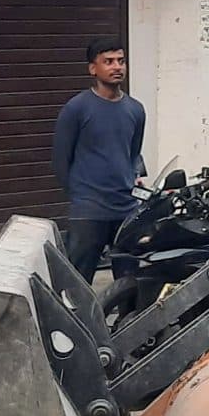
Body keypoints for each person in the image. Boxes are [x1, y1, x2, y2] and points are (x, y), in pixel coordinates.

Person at [51, 35, 145, 280]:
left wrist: (132, 180)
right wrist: (80, 196)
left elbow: (133, 154)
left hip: (126, 210)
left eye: (121, 61)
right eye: (109, 61)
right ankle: (77, 321)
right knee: (77, 283)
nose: (117, 67)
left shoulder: (135, 109)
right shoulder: (77, 108)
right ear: (93, 68)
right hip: (88, 211)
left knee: (128, 282)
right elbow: (61, 160)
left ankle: (127, 320)